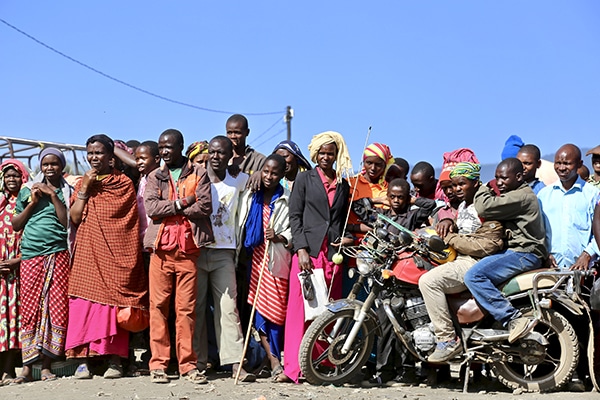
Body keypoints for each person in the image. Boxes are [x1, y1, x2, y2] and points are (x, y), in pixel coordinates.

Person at [66, 134, 148, 380]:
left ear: (111, 156)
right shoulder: (83, 183)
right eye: (90, 153)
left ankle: (114, 359)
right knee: (84, 302)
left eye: (99, 152)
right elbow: (76, 218)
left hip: (115, 254)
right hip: (88, 253)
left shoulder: (122, 183)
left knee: (113, 305)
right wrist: (85, 189)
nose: (94, 158)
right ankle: (83, 360)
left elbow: (124, 223)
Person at [282, 131, 353, 383]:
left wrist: (348, 239)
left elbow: (343, 220)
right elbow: (295, 217)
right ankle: (293, 368)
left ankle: (319, 364)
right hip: (308, 253)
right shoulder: (304, 180)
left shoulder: (344, 184)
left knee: (327, 311)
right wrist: (300, 249)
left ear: (336, 155)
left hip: (333, 254)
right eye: (322, 153)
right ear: (315, 154)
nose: (326, 157)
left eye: (330, 153)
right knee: (301, 309)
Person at [143, 129, 213, 384]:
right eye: (161, 147)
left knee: (186, 310)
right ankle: (158, 365)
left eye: (168, 147)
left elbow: (204, 206)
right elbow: (151, 208)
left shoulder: (199, 172)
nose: (163, 151)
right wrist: (183, 203)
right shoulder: (155, 176)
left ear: (180, 147)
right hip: (161, 251)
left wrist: (169, 209)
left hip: (188, 250)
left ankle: (188, 366)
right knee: (158, 308)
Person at [419, 162, 504, 362]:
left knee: (428, 281)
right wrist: (448, 222)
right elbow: (462, 227)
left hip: (474, 261)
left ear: (475, 183)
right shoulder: (465, 204)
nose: (456, 189)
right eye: (454, 184)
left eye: (462, 184)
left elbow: (485, 244)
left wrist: (450, 238)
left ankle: (447, 340)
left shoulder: (486, 205)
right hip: (462, 258)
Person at [463, 158, 547, 343]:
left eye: (503, 178)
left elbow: (484, 207)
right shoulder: (516, 194)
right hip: (520, 252)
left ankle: (513, 318)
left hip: (524, 253)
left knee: (473, 276)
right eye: (496, 178)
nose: (499, 182)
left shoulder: (522, 197)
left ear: (518, 176)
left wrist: (483, 187)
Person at [193, 136, 255, 382]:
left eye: (222, 153)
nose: (216, 157)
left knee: (228, 309)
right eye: (213, 152)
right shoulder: (196, 177)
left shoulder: (240, 180)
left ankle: (234, 363)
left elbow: (256, 184)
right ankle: (197, 362)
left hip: (225, 252)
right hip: (197, 251)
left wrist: (256, 174)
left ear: (231, 155)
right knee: (196, 308)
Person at [364, 178, 436, 387]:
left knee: (404, 323)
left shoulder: (412, 215)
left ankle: (406, 371)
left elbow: (430, 205)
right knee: (384, 324)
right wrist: (380, 200)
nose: (396, 201)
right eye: (392, 197)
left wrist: (412, 199)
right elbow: (361, 207)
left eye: (400, 197)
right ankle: (384, 371)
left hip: (405, 278)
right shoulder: (383, 217)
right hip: (384, 275)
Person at [11, 149, 72, 383]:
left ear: (61, 166)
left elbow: (66, 221)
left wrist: (53, 196)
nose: (49, 168)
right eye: (45, 164)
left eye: (54, 164)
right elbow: (16, 224)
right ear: (40, 166)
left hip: (57, 254)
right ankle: (27, 368)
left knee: (55, 308)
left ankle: (46, 366)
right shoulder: (28, 190)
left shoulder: (67, 191)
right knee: (30, 309)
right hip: (31, 255)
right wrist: (33, 202)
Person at [238, 154, 292, 381]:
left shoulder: (287, 198)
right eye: (266, 172)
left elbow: (294, 227)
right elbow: (240, 221)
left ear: (282, 175)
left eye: (275, 173)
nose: (270, 177)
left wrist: (279, 236)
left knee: (277, 313)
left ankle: (276, 357)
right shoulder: (251, 194)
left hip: (276, 261)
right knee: (260, 313)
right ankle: (274, 361)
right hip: (255, 260)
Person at [538, 144, 600, 271]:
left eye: (566, 163)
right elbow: (538, 231)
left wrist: (587, 254)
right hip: (552, 268)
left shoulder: (592, 194)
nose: (561, 168)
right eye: (558, 163)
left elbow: (598, 231)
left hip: (584, 269)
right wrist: (545, 254)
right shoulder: (544, 195)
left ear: (579, 164)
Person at [0, 160, 29, 384]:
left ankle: (8, 371)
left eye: (16, 176)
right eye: (8, 176)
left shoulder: (29, 202)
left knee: (12, 321)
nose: (12, 180)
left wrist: (18, 260)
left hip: (18, 272)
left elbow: (35, 236)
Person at [346, 143, 394, 239]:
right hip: (348, 240)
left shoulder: (389, 190)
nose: (373, 168)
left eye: (378, 165)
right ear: (364, 162)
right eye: (369, 163)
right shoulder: (350, 184)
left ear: (385, 165)